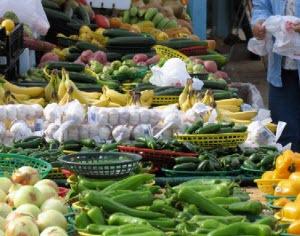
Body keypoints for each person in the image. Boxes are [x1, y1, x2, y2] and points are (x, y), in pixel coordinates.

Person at [252, 0, 300, 152]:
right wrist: (259, 23)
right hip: (280, 70)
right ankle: (290, 171)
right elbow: (261, 6)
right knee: (285, 134)